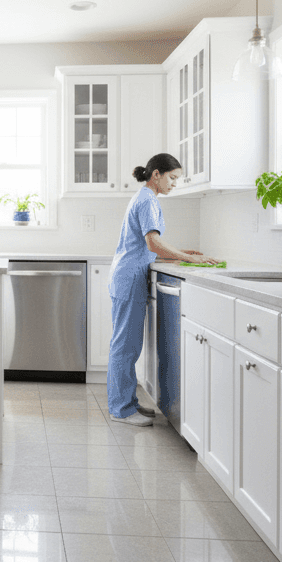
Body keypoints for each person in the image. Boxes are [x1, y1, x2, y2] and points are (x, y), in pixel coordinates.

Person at [107, 153, 221, 426]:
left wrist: (180, 253)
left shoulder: (144, 198)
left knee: (128, 344)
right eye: (172, 178)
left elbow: (149, 247)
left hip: (127, 275)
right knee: (125, 346)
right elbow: (152, 243)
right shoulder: (148, 200)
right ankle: (121, 409)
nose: (174, 184)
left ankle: (128, 403)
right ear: (156, 174)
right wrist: (188, 257)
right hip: (129, 278)